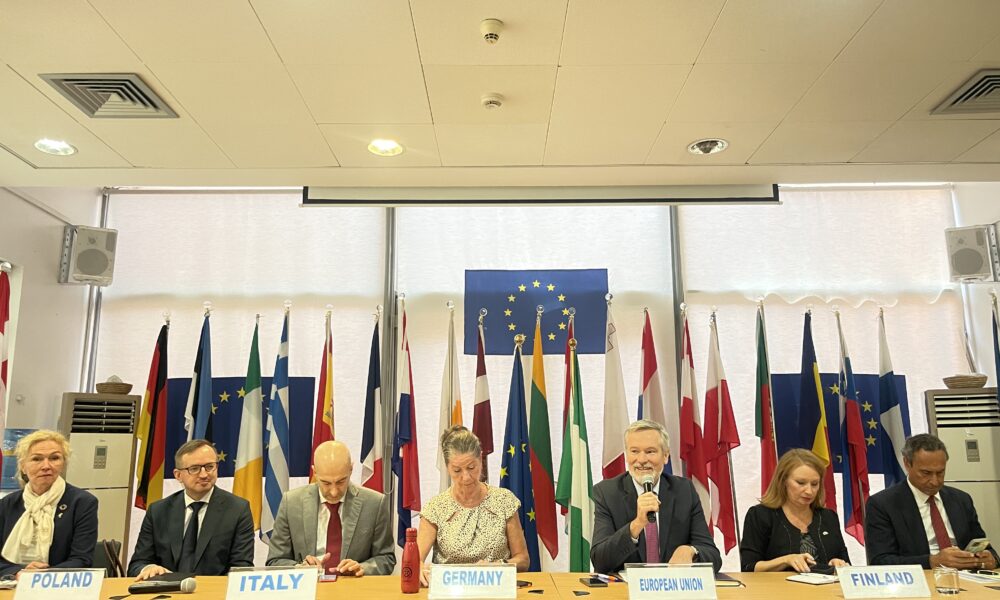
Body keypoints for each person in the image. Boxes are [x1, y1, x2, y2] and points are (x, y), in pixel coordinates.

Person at [591, 419, 721, 574]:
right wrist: (636, 525)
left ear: (665, 456)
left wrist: (691, 551)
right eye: (634, 451)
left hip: (671, 585)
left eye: (650, 452)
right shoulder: (606, 493)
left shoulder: (684, 491)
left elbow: (713, 557)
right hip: (626, 587)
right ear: (626, 455)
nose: (641, 460)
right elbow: (600, 561)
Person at [865, 433, 998, 570]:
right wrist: (931, 561)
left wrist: (991, 558)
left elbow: (983, 545)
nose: (935, 481)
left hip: (966, 576)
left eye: (940, 473)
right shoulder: (883, 504)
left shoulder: (961, 500)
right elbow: (880, 561)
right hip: (923, 577)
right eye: (926, 473)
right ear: (907, 464)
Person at [127, 439, 254, 579]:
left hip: (214, 590)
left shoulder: (237, 510)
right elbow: (137, 564)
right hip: (167, 589)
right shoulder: (158, 511)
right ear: (178, 475)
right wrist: (149, 568)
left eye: (210, 466)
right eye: (194, 469)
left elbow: (242, 568)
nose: (204, 474)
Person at [417, 426, 529, 584]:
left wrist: (496, 566)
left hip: (493, 586)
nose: (466, 477)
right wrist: (419, 568)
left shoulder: (504, 500)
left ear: (481, 459)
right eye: (457, 471)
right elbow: (415, 560)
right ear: (447, 468)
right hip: (450, 589)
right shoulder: (436, 508)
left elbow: (523, 559)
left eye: (471, 468)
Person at [266, 440, 395, 576]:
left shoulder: (374, 504)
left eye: (341, 481)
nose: (334, 492)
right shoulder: (291, 503)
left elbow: (386, 558)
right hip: (310, 586)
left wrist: (363, 568)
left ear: (351, 469)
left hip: (353, 586)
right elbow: (275, 560)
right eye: (326, 483)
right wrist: (300, 569)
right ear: (315, 472)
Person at [0, 430, 98, 577]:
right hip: (12, 582)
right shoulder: (6, 505)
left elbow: (82, 560)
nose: (46, 466)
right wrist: (18, 572)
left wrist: (42, 575)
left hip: (58, 583)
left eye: (54, 458)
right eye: (36, 459)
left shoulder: (82, 503)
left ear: (63, 464)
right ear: (23, 466)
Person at [739, 449, 849, 572]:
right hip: (778, 585)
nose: (809, 491)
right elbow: (748, 567)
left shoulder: (829, 517)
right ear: (783, 481)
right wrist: (786, 560)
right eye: (801, 483)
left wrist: (838, 563)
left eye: (814, 484)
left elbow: (846, 562)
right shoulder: (760, 515)